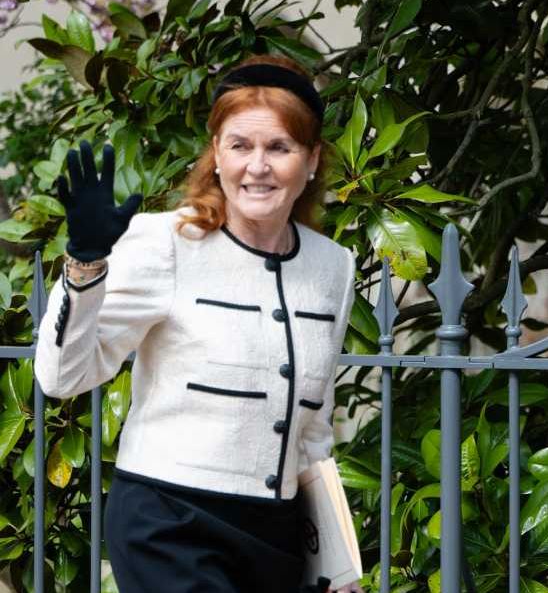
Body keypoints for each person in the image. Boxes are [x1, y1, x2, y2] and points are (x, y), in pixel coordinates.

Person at [34, 55, 362, 593]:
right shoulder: (166, 242)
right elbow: (62, 378)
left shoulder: (333, 267)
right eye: (240, 146)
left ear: (311, 160)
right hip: (169, 523)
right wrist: (85, 265)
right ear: (215, 155)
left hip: (274, 537)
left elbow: (313, 431)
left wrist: (336, 564)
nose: (257, 166)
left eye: (279, 147)